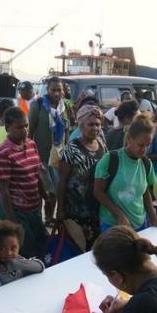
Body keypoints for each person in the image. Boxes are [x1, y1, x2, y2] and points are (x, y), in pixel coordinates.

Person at [0, 107, 53, 259]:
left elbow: (37, 173)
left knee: (43, 245)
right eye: (20, 127)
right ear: (8, 128)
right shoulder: (3, 154)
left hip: (35, 207)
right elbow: (4, 191)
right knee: (28, 251)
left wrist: (45, 196)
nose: (25, 130)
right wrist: (12, 220)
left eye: (26, 125)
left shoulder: (31, 144)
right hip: (19, 211)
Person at [94, 114, 157, 232]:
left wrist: (154, 219)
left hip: (140, 224)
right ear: (129, 139)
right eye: (140, 145)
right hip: (113, 225)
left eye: (147, 146)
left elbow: (145, 193)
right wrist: (119, 215)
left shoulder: (146, 163)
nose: (144, 149)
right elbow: (98, 192)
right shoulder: (111, 160)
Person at [57, 105, 107, 248]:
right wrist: (60, 209)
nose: (95, 128)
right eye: (90, 124)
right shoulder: (72, 148)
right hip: (76, 210)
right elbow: (62, 181)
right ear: (81, 125)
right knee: (78, 249)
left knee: (96, 249)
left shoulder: (102, 145)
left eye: (98, 124)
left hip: (97, 208)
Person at [29, 76, 69, 188]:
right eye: (53, 90)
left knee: (56, 190)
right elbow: (31, 130)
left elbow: (68, 132)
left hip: (59, 157)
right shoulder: (37, 106)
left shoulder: (66, 107)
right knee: (43, 189)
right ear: (47, 90)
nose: (56, 93)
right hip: (42, 157)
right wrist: (30, 153)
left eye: (59, 90)